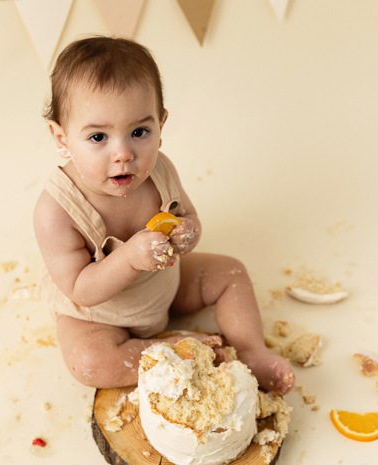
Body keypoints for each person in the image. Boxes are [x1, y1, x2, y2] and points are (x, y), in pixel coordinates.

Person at [34, 36, 294, 394]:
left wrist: (188, 232)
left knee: (231, 272)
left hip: (164, 284)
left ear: (161, 124)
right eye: (98, 138)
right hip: (102, 317)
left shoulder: (159, 171)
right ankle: (170, 352)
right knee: (88, 362)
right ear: (61, 138)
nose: (123, 153)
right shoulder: (57, 210)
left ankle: (251, 350)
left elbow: (189, 217)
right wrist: (129, 258)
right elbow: (81, 289)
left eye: (139, 132)